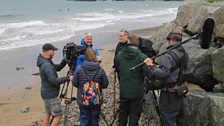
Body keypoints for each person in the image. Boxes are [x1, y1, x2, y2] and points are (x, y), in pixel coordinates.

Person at [144, 32, 189, 126]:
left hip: (169, 93)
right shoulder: (184, 53)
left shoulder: (168, 55)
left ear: (170, 41)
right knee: (181, 118)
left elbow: (163, 74)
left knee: (167, 118)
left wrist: (151, 66)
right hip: (181, 90)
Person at [115, 34, 150, 126]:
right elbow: (147, 73)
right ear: (138, 44)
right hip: (137, 91)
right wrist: (150, 65)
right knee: (134, 114)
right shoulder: (142, 56)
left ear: (128, 42)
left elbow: (117, 68)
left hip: (124, 91)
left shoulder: (119, 55)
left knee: (123, 113)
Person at [36, 43, 73, 126]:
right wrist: (68, 78)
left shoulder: (45, 61)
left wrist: (65, 60)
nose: (54, 53)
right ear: (49, 51)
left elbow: (58, 68)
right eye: (53, 51)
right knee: (58, 115)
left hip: (45, 93)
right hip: (51, 95)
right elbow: (53, 81)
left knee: (48, 113)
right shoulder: (47, 65)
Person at [72, 48, 109, 126]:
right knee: (95, 119)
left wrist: (82, 86)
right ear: (95, 57)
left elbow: (75, 83)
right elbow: (105, 84)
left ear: (85, 56)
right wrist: (97, 86)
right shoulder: (100, 70)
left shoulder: (79, 69)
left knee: (84, 118)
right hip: (96, 99)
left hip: (83, 99)